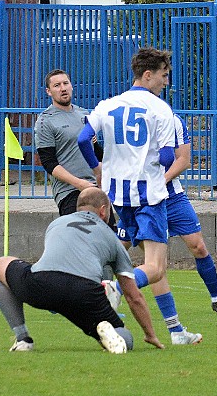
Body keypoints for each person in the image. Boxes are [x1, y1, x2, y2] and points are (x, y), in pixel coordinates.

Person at [78, 46, 202, 345]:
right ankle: (114, 290)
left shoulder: (107, 105)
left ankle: (175, 331)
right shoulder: (161, 109)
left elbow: (83, 138)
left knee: (149, 263)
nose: (165, 82)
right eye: (163, 75)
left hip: (118, 197)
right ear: (148, 75)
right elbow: (169, 155)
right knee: (156, 268)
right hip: (149, 194)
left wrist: (98, 170)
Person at [0, 188, 164, 353]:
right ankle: (110, 333)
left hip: (42, 284)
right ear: (103, 210)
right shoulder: (112, 238)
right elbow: (133, 296)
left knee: (0, 264)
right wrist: (150, 335)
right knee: (125, 338)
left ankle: (23, 339)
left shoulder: (57, 223)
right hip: (85, 293)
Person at [160, 113, 217, 314]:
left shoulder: (173, 120)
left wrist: (160, 182)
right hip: (142, 199)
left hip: (173, 197)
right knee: (121, 247)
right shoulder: (131, 120)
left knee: (199, 247)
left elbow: (183, 161)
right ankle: (107, 295)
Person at [34, 69, 100, 215]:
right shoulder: (45, 121)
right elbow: (49, 163)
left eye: (65, 83)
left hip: (95, 188)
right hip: (70, 192)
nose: (62, 88)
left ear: (71, 86)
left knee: (108, 236)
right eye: (57, 85)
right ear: (49, 91)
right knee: (78, 236)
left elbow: (97, 152)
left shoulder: (84, 114)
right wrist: (79, 183)